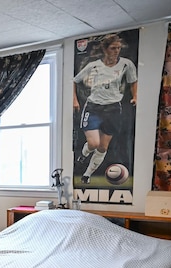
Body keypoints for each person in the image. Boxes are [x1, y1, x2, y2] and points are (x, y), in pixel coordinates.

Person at [73, 33, 137, 184]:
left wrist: (136, 96)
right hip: (94, 107)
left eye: (118, 48)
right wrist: (75, 100)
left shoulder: (126, 64)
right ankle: (84, 154)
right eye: (113, 48)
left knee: (102, 147)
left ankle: (87, 175)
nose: (116, 51)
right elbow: (75, 81)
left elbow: (133, 81)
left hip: (113, 108)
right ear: (106, 49)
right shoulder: (93, 65)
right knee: (93, 143)